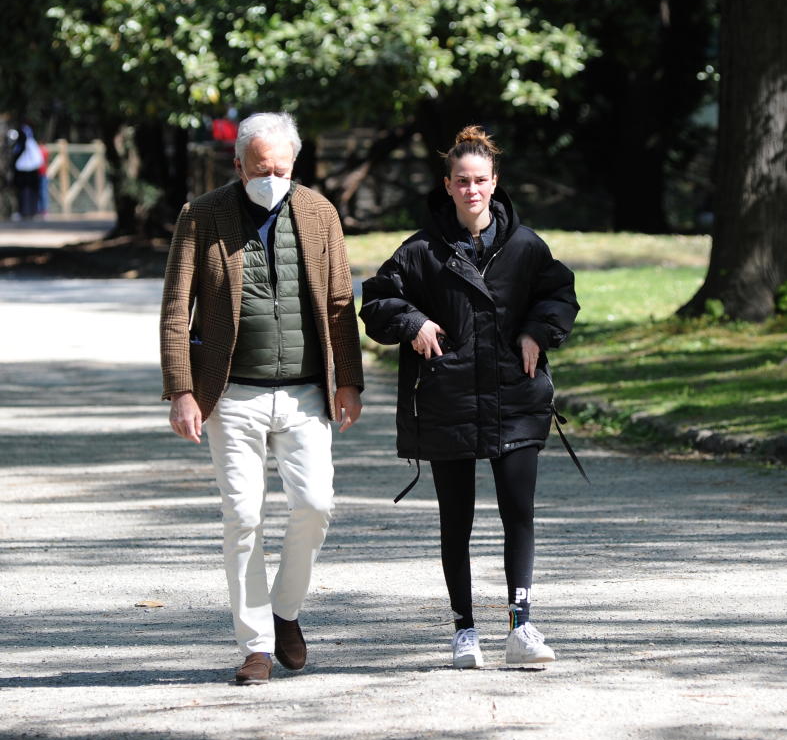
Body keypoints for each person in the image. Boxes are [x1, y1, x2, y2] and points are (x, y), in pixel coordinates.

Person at [360, 126, 579, 669]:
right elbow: (376, 302)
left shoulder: (527, 247)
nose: (472, 189)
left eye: (481, 180)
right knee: (455, 521)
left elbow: (559, 294)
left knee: (518, 515)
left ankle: (520, 626)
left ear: (495, 182)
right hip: (447, 397)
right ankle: (464, 630)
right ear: (448, 185)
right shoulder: (419, 251)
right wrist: (412, 322)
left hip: (514, 394)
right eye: (463, 181)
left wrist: (536, 331)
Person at [160, 111, 364, 685]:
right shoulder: (201, 216)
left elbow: (339, 301)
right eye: (258, 169)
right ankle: (255, 645)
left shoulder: (320, 213)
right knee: (243, 516)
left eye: (279, 168)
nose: (269, 178)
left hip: (305, 394)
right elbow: (177, 309)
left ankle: (285, 611)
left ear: (293, 164)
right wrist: (181, 389)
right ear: (238, 164)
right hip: (231, 396)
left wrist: (348, 379)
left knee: (316, 504)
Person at [11, 124, 44, 220]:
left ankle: (31, 211)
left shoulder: (29, 143)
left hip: (29, 173)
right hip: (23, 173)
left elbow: (37, 160)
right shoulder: (22, 144)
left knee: (30, 192)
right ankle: (24, 211)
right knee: (23, 193)